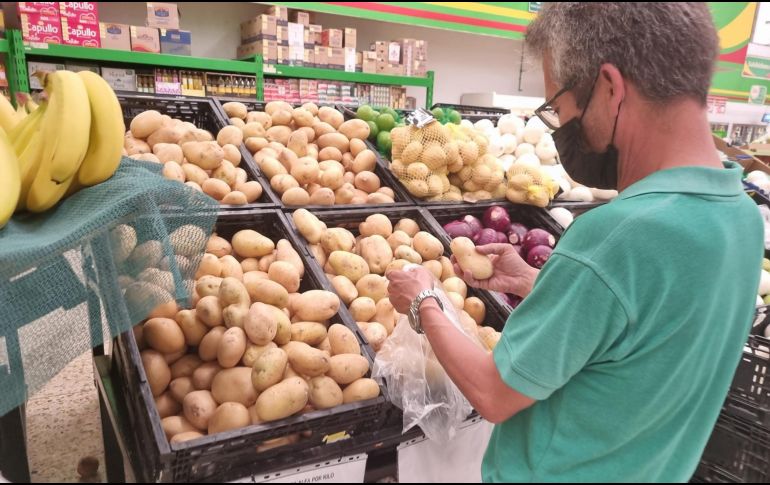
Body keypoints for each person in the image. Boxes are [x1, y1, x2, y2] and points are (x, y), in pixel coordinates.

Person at [386, 3, 763, 482]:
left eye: (558, 109)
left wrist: (424, 301)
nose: (561, 128)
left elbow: (493, 393)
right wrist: (535, 281)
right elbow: (643, 329)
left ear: (610, 88)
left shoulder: (616, 235)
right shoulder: (741, 216)